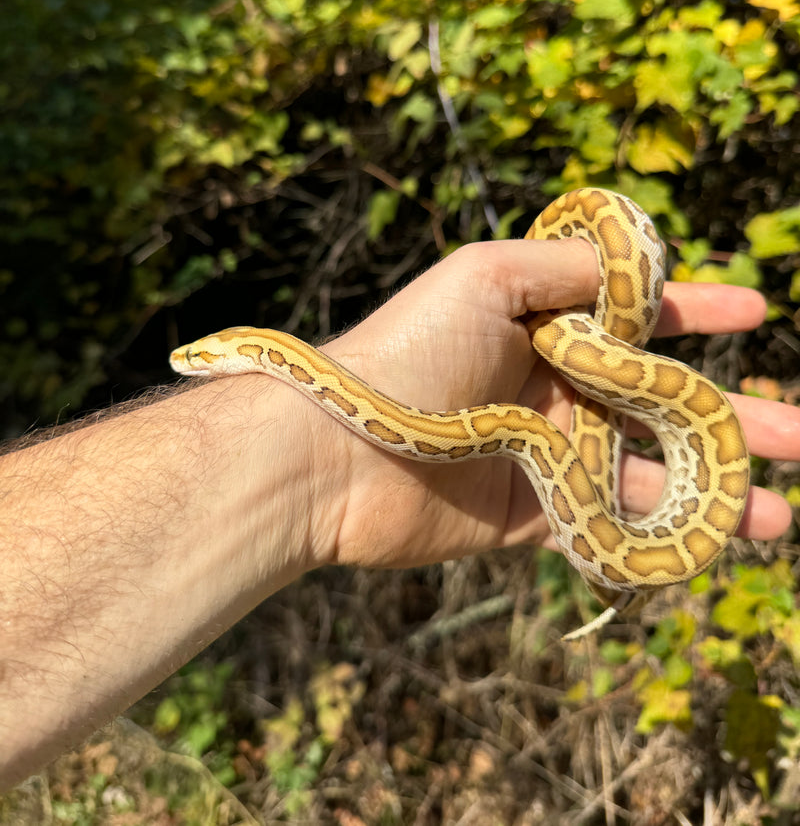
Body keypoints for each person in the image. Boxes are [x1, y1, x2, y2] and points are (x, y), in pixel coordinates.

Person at [0, 236, 794, 789]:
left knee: (580, 444)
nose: (188, 368)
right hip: (561, 448)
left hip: (604, 434)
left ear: (247, 354)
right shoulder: (311, 377)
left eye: (196, 360)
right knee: (561, 449)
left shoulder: (305, 368)